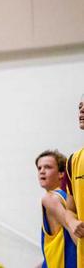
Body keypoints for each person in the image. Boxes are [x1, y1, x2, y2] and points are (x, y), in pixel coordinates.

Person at [35, 150, 76, 267]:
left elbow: (74, 232)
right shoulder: (71, 197)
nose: (42, 171)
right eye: (39, 168)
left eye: (47, 167)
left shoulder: (50, 199)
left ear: (61, 173)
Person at [64, 95, 84, 260]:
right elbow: (70, 210)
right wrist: (72, 222)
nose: (81, 110)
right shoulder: (73, 161)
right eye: (80, 106)